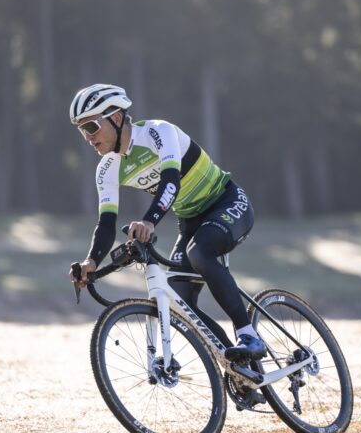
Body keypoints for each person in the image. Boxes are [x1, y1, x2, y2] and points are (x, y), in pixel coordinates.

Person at [67, 83, 266, 362]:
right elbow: (106, 223)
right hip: (191, 221)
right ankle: (239, 367)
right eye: (81, 130)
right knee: (178, 300)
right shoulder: (108, 168)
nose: (88, 138)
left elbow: (171, 181)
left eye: (90, 127)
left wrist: (149, 222)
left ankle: (250, 336)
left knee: (200, 252)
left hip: (226, 202)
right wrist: (91, 262)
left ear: (115, 117)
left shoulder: (158, 132)